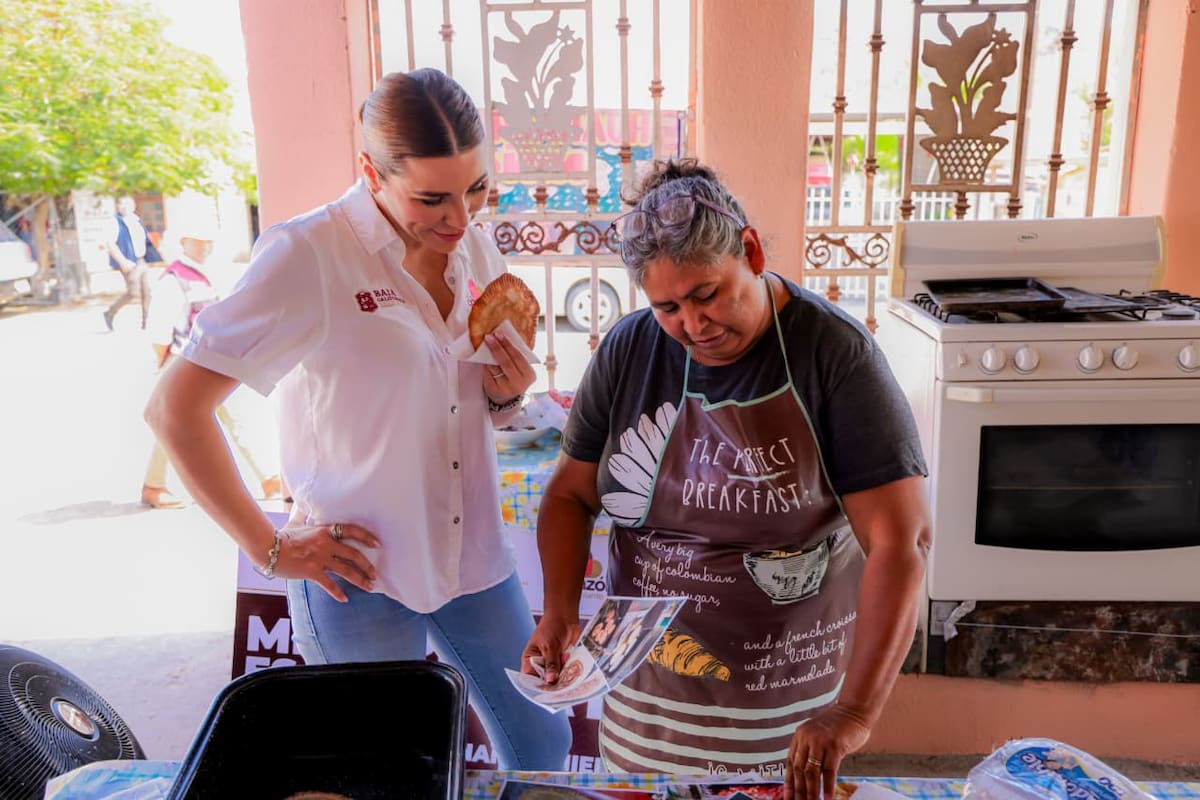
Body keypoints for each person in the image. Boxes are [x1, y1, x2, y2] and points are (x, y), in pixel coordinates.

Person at [144, 68, 571, 770]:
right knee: (383, 770)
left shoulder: (477, 250)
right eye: (431, 198)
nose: (459, 218)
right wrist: (270, 547)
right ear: (371, 171)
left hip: (476, 561)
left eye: (476, 188)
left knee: (542, 742)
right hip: (357, 574)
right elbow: (173, 409)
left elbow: (473, 400)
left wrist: (503, 395)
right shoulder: (307, 254)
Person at [522, 159, 931, 797]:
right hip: (646, 706)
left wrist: (852, 714)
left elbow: (901, 543)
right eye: (667, 307)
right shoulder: (629, 350)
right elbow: (572, 495)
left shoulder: (834, 356)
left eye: (708, 293)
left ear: (751, 250)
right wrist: (558, 613)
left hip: (784, 713)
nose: (693, 325)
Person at [140, 222, 282, 509]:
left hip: (208, 358)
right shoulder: (173, 280)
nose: (205, 246)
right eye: (199, 240)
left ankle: (269, 479)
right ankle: (268, 479)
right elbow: (158, 330)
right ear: (184, 242)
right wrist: (166, 362)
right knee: (176, 418)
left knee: (215, 417)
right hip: (184, 359)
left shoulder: (203, 275)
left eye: (208, 241)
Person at [104, 196, 162, 330]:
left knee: (147, 292)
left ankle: (146, 322)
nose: (124, 206)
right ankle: (110, 312)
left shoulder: (136, 220)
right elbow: (110, 244)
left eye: (127, 204)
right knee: (133, 292)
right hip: (129, 261)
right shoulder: (115, 222)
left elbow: (144, 240)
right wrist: (122, 261)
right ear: (118, 206)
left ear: (133, 205)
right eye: (121, 203)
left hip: (141, 260)